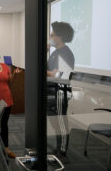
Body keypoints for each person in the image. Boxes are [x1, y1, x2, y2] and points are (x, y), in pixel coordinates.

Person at [47, 21, 75, 162]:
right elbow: (50, 72)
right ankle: (59, 148)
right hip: (52, 91)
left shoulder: (66, 53)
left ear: (60, 37)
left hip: (60, 92)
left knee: (61, 122)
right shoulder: (55, 52)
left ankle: (63, 153)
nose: (50, 37)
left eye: (52, 35)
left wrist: (48, 72)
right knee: (55, 122)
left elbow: (60, 75)